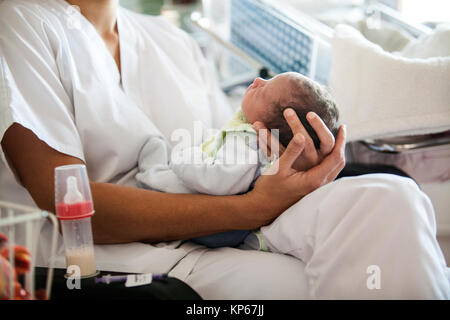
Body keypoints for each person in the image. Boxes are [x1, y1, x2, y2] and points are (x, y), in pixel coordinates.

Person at [0, 0, 448, 299]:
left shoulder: (174, 43)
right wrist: (253, 208)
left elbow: (236, 151)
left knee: (392, 198)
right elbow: (73, 207)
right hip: (121, 258)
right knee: (316, 287)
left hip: (240, 225)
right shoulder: (19, 24)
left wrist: (294, 165)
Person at [136, 72, 340, 249]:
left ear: (269, 126)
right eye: (267, 79)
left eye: (263, 90)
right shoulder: (249, 135)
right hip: (222, 223)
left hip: (212, 224)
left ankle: (149, 172)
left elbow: (216, 179)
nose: (259, 79)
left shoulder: (246, 141)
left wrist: (183, 154)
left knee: (156, 157)